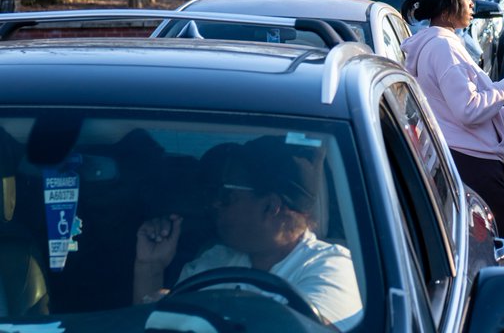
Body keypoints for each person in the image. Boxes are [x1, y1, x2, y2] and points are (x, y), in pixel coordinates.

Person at [133, 136, 362, 329]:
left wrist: (194, 310)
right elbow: (154, 328)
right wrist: (150, 268)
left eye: (225, 196)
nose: (214, 204)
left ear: (271, 206)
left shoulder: (333, 269)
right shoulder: (214, 260)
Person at [399, 0, 504, 268]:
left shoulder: (441, 43)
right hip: (471, 164)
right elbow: (470, 109)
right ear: (449, 3)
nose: (472, 3)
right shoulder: (442, 48)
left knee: (486, 256)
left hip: (464, 159)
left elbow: (469, 106)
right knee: (503, 260)